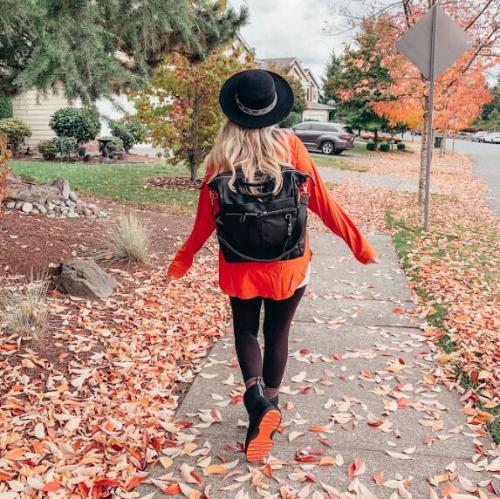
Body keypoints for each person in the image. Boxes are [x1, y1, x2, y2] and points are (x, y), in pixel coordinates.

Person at [165, 69, 378, 463]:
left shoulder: (220, 157)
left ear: (234, 111)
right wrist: (359, 246)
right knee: (277, 333)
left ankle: (255, 402)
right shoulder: (291, 146)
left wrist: (182, 260)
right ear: (273, 110)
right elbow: (322, 202)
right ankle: (270, 407)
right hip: (289, 264)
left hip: (239, 265)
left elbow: (204, 221)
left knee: (246, 330)